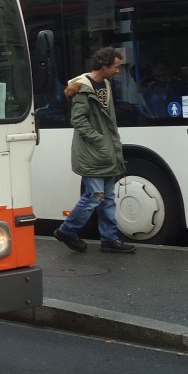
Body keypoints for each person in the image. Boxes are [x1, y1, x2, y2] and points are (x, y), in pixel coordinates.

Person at [53, 47, 136, 254]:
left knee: (107, 197)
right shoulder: (83, 87)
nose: (118, 71)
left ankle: (109, 239)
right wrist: (99, 140)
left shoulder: (106, 84)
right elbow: (78, 120)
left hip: (103, 151)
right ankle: (67, 230)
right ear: (104, 66)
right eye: (115, 67)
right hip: (92, 152)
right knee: (95, 196)